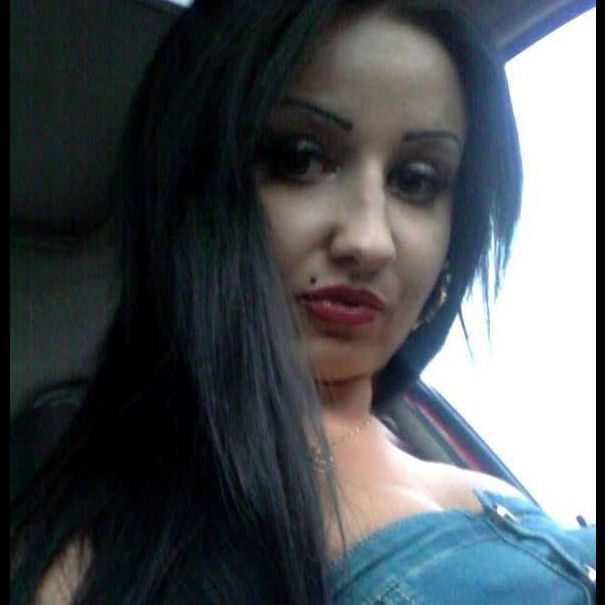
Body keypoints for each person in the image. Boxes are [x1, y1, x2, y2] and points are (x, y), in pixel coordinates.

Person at [10, 1, 595, 604]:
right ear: (195, 189)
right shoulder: (104, 559)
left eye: (416, 180)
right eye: (300, 158)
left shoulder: (458, 463)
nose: (369, 241)